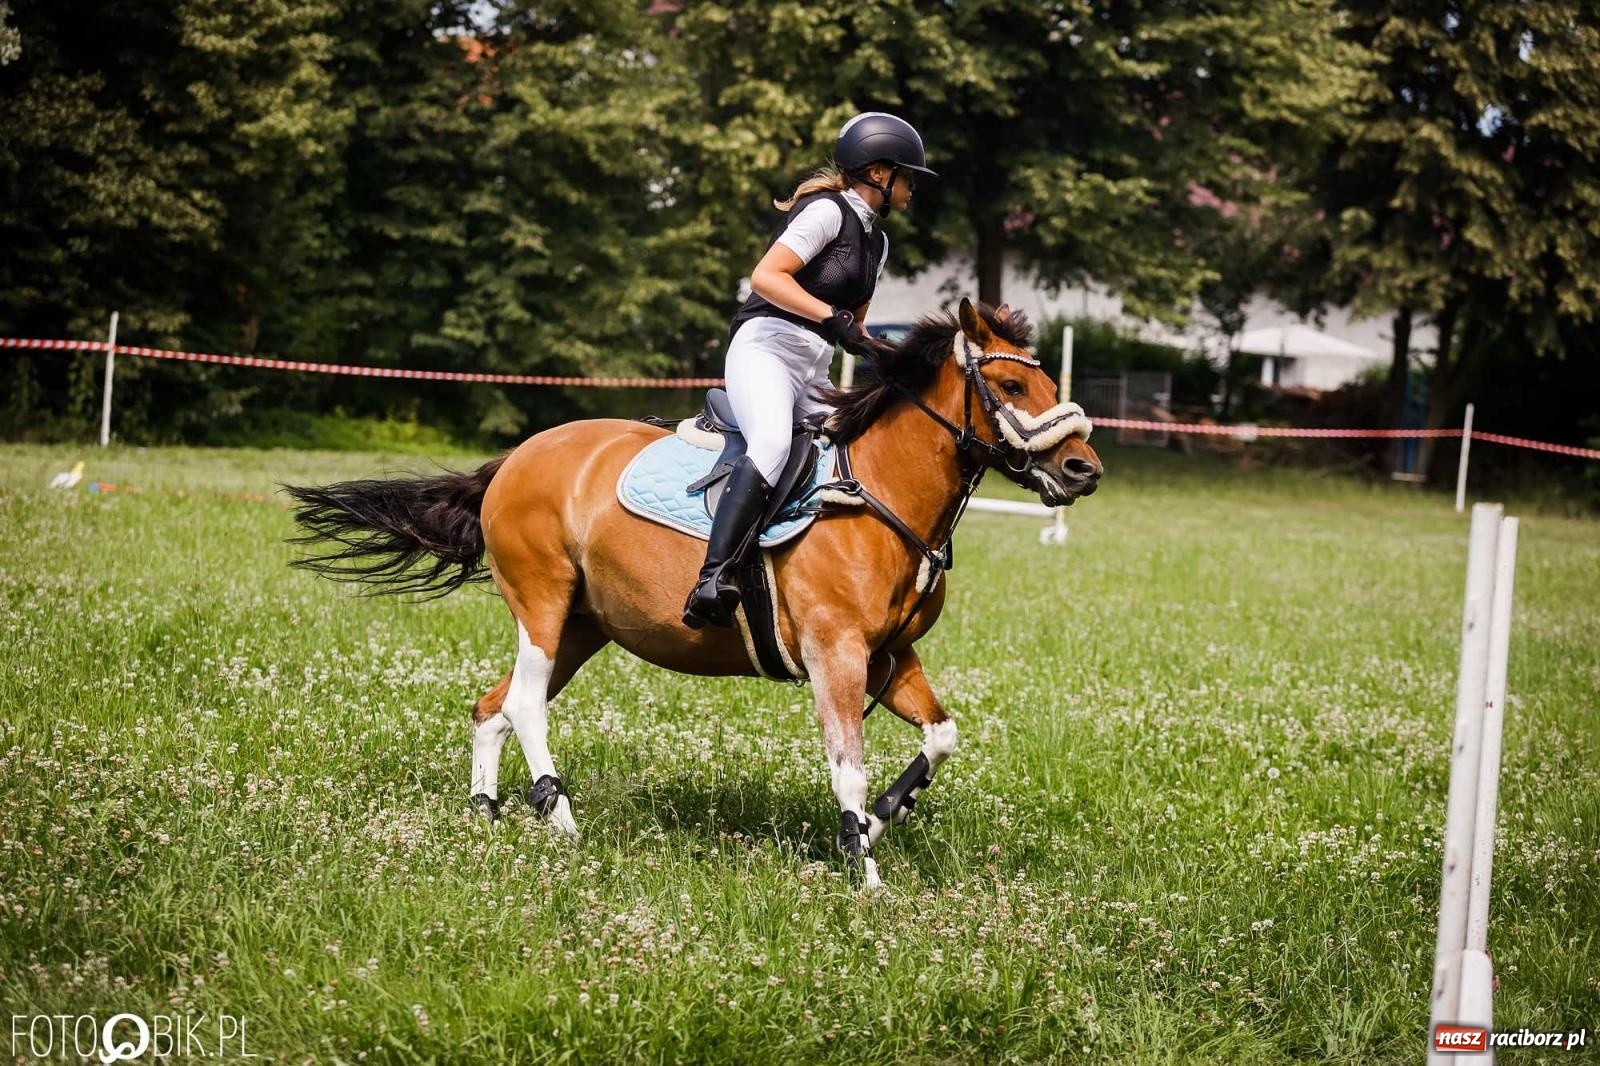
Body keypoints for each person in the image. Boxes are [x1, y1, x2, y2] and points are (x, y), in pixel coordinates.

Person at [682, 112, 936, 629]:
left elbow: (854, 326)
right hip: (765, 350)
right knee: (773, 444)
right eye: (908, 176)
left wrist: (886, 353)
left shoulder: (878, 242)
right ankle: (713, 576)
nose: (912, 188)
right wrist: (830, 318)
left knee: (857, 448)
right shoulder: (825, 212)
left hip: (813, 366)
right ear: (880, 173)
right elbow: (767, 276)